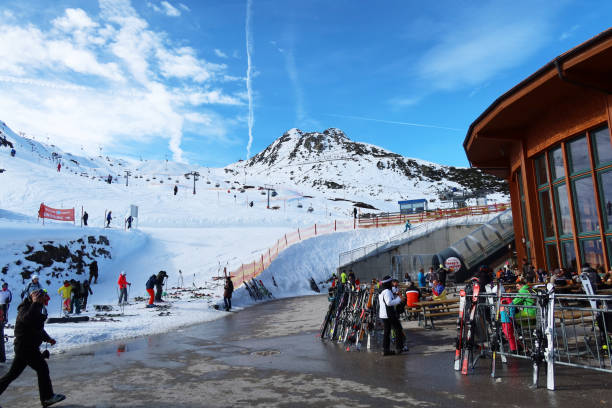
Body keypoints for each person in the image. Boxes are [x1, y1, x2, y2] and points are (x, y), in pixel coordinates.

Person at [0, 290, 65, 407]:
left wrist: (48, 339)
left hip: (27, 347)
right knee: (42, 368)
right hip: (25, 347)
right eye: (43, 300)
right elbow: (27, 319)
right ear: (36, 298)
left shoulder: (36, 308)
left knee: (12, 375)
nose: (45, 302)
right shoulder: (24, 308)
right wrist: (35, 304)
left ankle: (47, 397)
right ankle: (47, 397)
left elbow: (37, 328)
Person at [378, 276, 407, 356]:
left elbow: (391, 293)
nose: (392, 284)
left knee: (387, 332)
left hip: (383, 314)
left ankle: (385, 350)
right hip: (389, 314)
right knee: (398, 329)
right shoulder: (387, 291)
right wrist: (399, 299)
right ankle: (399, 348)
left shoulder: (382, 290)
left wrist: (396, 294)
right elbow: (389, 302)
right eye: (391, 282)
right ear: (388, 283)